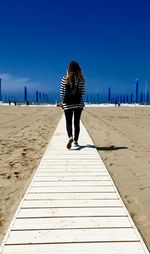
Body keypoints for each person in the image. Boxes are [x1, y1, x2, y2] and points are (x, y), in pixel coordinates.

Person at [60, 60, 85, 149]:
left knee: (69, 122)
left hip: (67, 104)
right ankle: (75, 141)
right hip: (78, 104)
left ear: (69, 69)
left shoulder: (65, 78)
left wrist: (63, 102)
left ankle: (70, 136)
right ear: (78, 69)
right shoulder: (81, 79)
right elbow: (82, 93)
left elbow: (62, 93)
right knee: (76, 122)